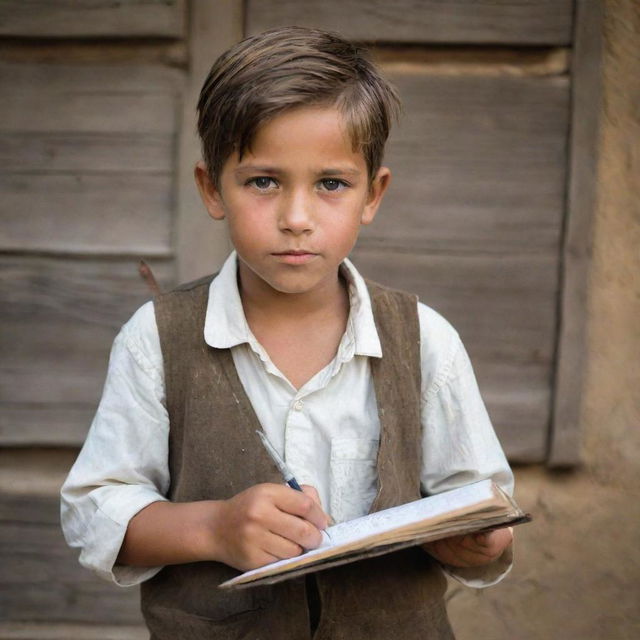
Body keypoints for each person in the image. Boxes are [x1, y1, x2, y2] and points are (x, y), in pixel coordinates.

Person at [61, 26, 514, 639]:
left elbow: (476, 501)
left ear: (372, 194)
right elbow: (95, 509)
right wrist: (215, 528)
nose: (296, 219)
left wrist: (475, 542)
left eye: (331, 184)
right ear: (211, 188)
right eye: (263, 181)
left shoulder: (425, 340)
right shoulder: (158, 339)